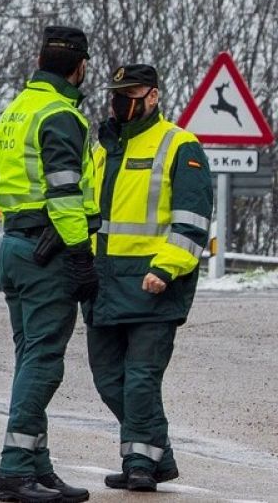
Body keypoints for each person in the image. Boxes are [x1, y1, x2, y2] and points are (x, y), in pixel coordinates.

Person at [84, 64, 211, 492]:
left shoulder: (180, 145)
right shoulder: (100, 148)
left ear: (153, 96)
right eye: (117, 93)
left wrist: (164, 268)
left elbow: (192, 222)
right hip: (102, 284)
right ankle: (161, 454)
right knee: (108, 379)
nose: (121, 101)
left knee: (140, 379)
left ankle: (140, 463)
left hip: (153, 285)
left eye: (131, 93)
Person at [0, 26, 99, 503]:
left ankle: (38, 466)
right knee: (43, 364)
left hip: (16, 246)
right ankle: (14, 473)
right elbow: (65, 194)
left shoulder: (16, 110)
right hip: (46, 251)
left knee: (29, 360)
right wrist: (79, 256)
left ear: (40, 59)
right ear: (79, 67)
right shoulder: (61, 115)